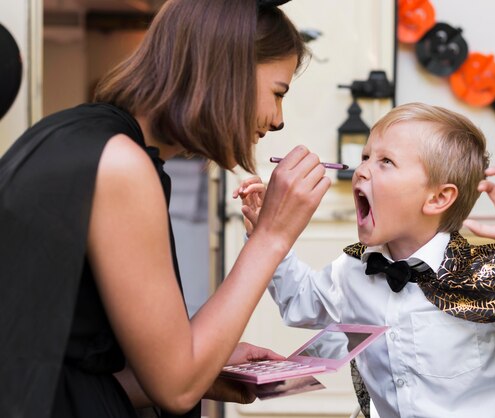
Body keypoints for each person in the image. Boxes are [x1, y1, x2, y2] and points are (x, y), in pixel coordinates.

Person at [0, 1, 332, 417]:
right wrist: (272, 236)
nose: (279, 120)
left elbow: (67, 368)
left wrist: (206, 366)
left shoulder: (80, 134)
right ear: (226, 72)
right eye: (277, 93)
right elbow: (175, 387)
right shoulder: (121, 164)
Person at [234, 102, 495, 417]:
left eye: (385, 162)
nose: (361, 169)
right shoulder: (353, 270)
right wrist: (267, 232)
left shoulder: (488, 274)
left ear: (437, 198)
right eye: (365, 155)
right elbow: (301, 303)